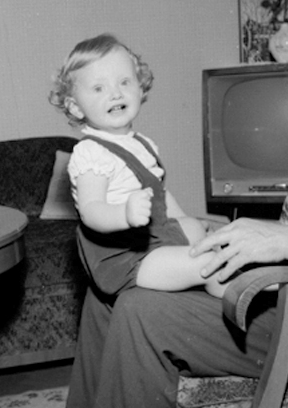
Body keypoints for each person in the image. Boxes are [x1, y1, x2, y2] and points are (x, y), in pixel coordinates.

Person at [65, 6, 288, 408]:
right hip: (286, 296)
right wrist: (225, 243)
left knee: (141, 309)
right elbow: (281, 239)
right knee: (109, 292)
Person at [49, 34, 229, 299]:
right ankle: (242, 294)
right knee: (208, 265)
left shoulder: (142, 143)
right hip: (123, 256)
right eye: (99, 88)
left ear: (140, 87)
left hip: (152, 237)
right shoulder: (90, 152)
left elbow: (159, 193)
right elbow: (91, 211)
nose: (115, 93)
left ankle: (245, 272)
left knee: (198, 229)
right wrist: (124, 214)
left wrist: (183, 220)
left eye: (124, 82)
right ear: (75, 107)